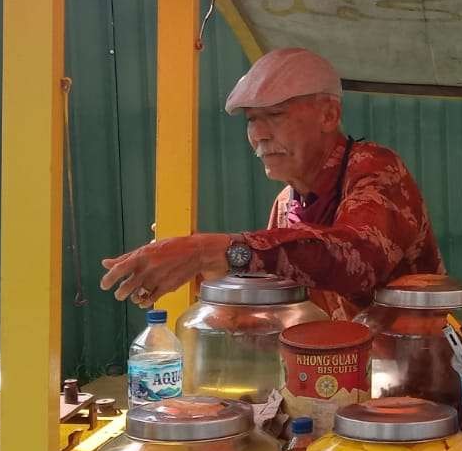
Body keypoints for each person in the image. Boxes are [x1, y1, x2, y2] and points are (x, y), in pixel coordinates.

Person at [101, 48, 442, 318]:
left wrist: (209, 250)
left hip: (412, 383)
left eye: (275, 115)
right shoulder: (286, 203)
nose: (259, 136)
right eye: (252, 120)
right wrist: (203, 272)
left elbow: (356, 259)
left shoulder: (377, 170)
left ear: (329, 115)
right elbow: (281, 293)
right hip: (331, 382)